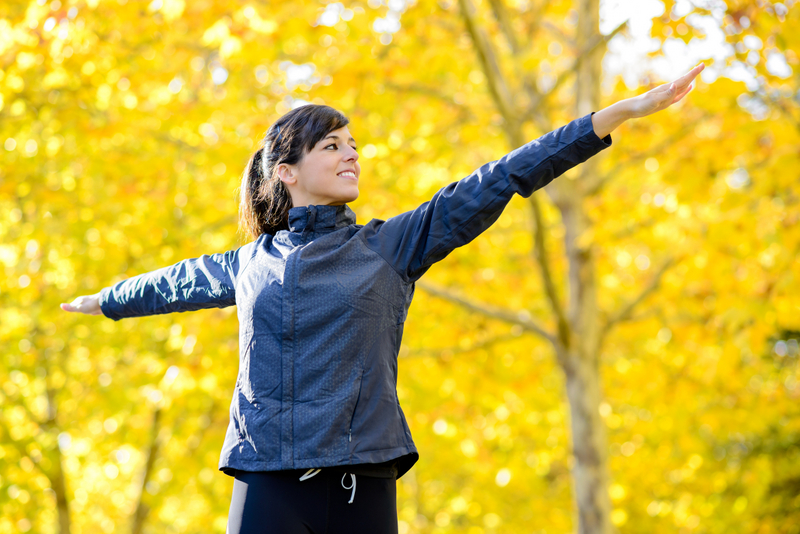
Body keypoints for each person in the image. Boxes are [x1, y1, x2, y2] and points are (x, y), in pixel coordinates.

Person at [61, 63, 705, 534]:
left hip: (358, 482)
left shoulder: (391, 246)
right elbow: (175, 283)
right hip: (266, 480)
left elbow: (501, 177)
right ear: (285, 173)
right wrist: (108, 299)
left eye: (353, 146)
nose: (352, 157)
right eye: (332, 146)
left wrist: (613, 117)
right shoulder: (250, 262)